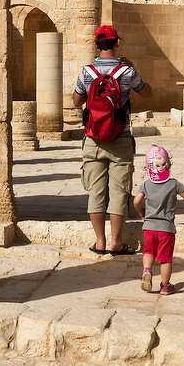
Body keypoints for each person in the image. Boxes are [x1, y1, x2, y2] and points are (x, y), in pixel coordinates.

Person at [72, 25, 153, 255]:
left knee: (95, 192)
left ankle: (100, 242)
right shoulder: (126, 72)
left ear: (96, 45)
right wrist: (133, 69)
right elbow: (147, 93)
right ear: (117, 42)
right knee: (119, 191)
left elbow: (76, 102)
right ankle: (116, 242)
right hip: (121, 138)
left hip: (93, 139)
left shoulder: (86, 71)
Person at [134, 145, 184, 295]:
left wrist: (142, 213)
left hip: (149, 227)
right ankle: (165, 286)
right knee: (165, 259)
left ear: (147, 169)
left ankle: (147, 270)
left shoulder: (146, 184)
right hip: (166, 230)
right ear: (169, 165)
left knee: (149, 251)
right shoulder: (173, 184)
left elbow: (136, 202)